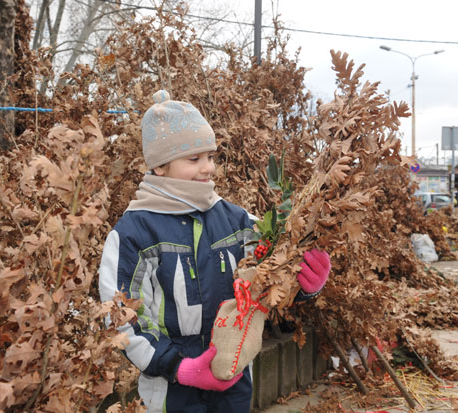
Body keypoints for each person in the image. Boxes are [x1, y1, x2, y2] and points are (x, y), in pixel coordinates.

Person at [98, 90, 331, 412]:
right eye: (194, 159)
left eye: (210, 156)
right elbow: (122, 316)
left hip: (233, 375)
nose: (207, 168)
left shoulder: (237, 220)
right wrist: (178, 366)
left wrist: (302, 285)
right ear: (160, 167)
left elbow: (267, 282)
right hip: (170, 387)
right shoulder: (135, 232)